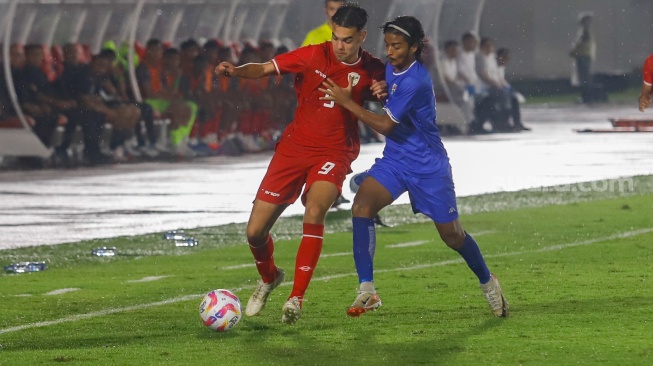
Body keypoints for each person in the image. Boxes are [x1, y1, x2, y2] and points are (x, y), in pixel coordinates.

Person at [319, 15, 509, 319]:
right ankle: (367, 290)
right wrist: (380, 90)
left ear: (414, 47)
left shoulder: (416, 79)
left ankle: (488, 282)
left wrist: (347, 102)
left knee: (452, 236)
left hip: (428, 167)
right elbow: (386, 98)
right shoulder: (391, 71)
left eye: (397, 46)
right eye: (388, 45)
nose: (390, 51)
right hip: (396, 160)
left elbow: (385, 124)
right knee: (361, 207)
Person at [215, 2, 385, 325]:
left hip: (334, 152)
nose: (340, 45)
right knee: (254, 232)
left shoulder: (372, 69)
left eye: (347, 40)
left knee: (315, 211)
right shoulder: (312, 54)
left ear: (362, 37)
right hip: (293, 149)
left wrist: (383, 91)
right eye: (336, 38)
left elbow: (388, 94)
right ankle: (269, 277)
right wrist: (237, 72)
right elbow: (265, 68)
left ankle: (296, 298)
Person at [496, 48, 530, 131]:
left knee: (514, 99)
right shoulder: (494, 66)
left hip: (500, 89)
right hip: (494, 90)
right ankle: (504, 123)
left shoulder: (501, 67)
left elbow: (502, 80)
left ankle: (517, 123)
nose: (506, 61)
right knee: (507, 100)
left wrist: (510, 89)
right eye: (504, 58)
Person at [569, 12, 595, 99]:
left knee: (584, 76)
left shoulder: (584, 32)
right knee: (584, 76)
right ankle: (586, 94)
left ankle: (586, 95)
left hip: (583, 56)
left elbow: (581, 44)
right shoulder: (584, 31)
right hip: (584, 56)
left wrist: (573, 51)